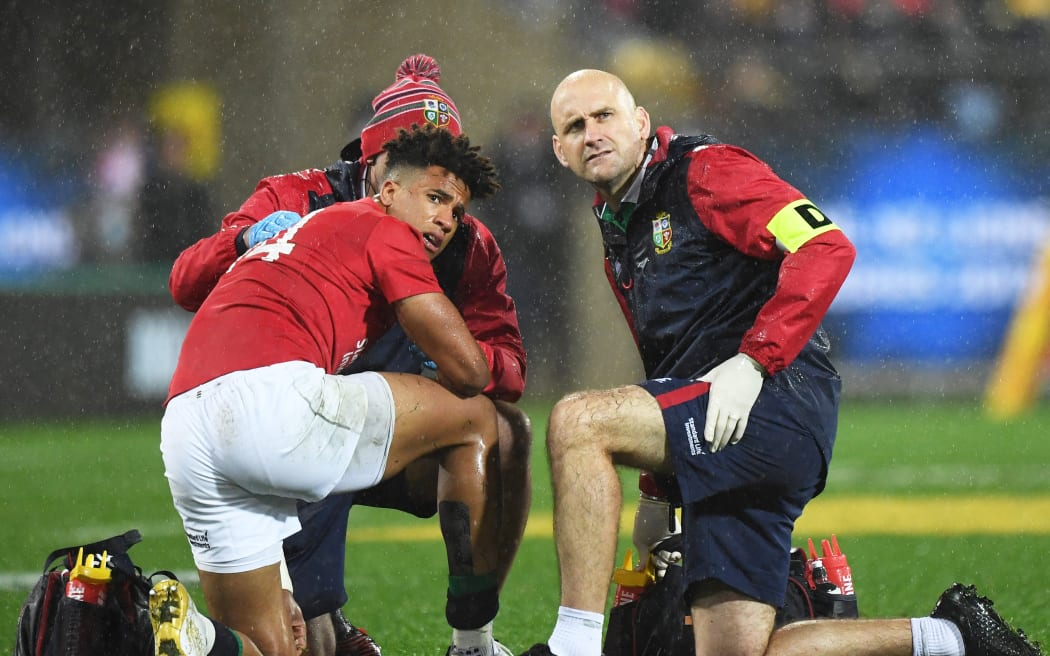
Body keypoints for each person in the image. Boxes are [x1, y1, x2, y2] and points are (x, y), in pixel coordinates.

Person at [518, 68, 1043, 656]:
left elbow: (826, 246)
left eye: (605, 116)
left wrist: (754, 361)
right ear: (560, 152)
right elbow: (673, 361)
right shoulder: (619, 227)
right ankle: (951, 638)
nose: (592, 133)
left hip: (777, 400)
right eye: (575, 126)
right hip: (717, 431)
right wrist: (658, 493)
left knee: (577, 422)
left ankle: (573, 647)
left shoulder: (705, 171)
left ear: (640, 123)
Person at [168, 54, 530, 656]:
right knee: (476, 417)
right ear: (379, 169)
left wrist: (468, 369)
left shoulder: (464, 241)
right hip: (298, 412)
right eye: (431, 189)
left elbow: (506, 357)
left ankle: (160, 630)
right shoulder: (322, 204)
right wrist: (240, 237)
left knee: (263, 647)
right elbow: (186, 280)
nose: (444, 218)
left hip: (199, 418)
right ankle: (371, 628)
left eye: (454, 199)